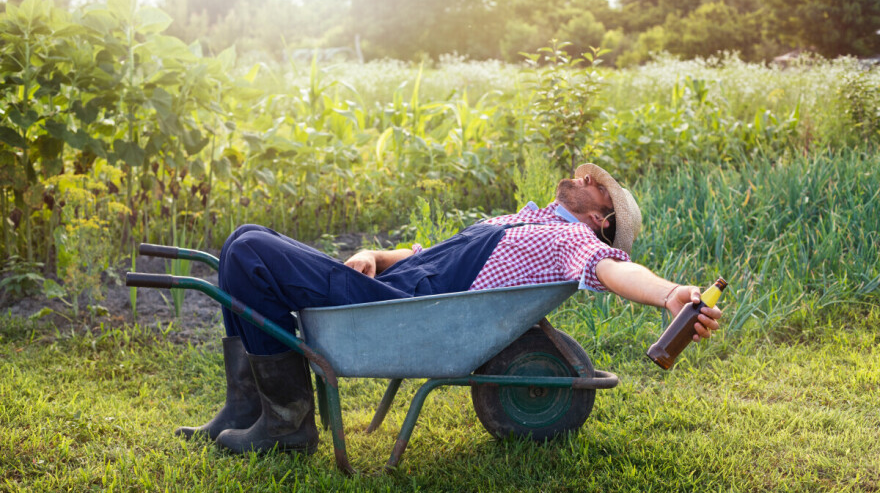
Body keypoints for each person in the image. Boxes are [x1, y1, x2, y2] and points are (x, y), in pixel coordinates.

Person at [175, 163, 723, 454]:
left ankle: (288, 426)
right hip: (393, 290)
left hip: (399, 309)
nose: (584, 178)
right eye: (591, 176)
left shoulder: (571, 242)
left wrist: (670, 292)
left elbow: (614, 269)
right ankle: (247, 411)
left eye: (594, 186)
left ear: (600, 220)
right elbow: (435, 254)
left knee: (248, 251)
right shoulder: (524, 219)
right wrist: (377, 254)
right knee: (243, 239)